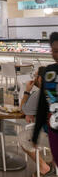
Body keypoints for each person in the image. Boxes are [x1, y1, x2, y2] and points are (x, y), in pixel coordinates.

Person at [18, 67, 55, 177]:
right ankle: (54, 163)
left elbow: (23, 110)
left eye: (35, 76)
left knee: (23, 138)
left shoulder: (38, 93)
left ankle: (44, 167)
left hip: (52, 137)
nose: (34, 79)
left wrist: (27, 91)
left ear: (40, 78)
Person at [32, 32, 58, 168]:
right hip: (54, 131)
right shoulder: (49, 72)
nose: (57, 54)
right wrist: (35, 134)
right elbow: (43, 104)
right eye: (54, 51)